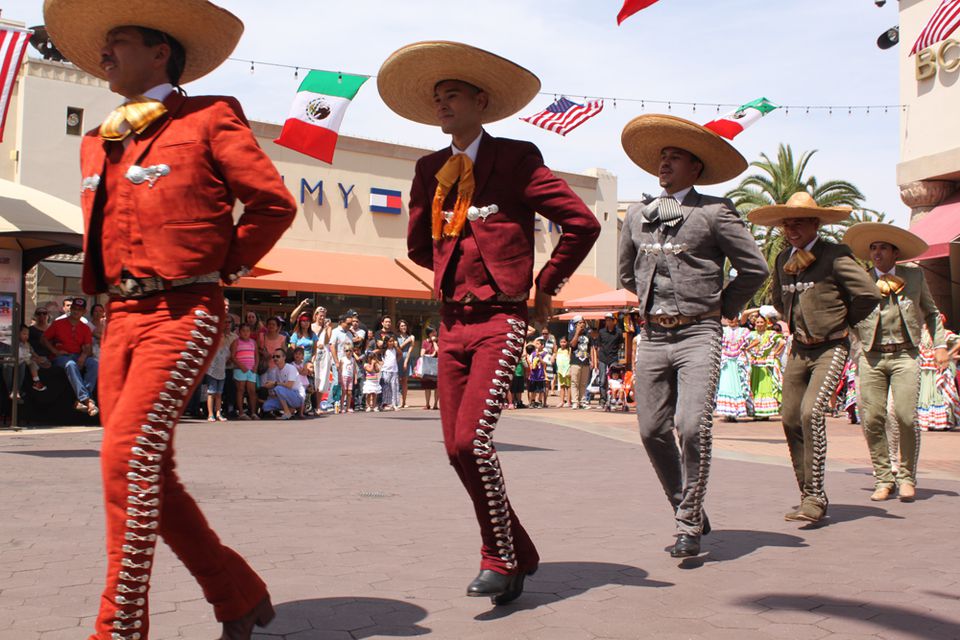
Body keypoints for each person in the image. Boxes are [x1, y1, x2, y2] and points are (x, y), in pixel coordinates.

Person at [44, 0, 297, 635]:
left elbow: (271, 204)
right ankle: (236, 592)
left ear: (162, 51)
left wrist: (222, 266)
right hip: (119, 320)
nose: (105, 53)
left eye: (119, 40)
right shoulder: (97, 142)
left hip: (183, 312)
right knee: (147, 468)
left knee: (125, 461)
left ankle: (119, 629)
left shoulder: (210, 117)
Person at [379, 40, 600, 603]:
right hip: (450, 321)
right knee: (455, 448)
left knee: (473, 442)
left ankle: (499, 555)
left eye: (451, 94)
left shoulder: (516, 159)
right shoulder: (429, 168)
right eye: (436, 97)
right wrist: (456, 274)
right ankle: (518, 551)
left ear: (481, 100)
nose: (441, 104)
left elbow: (581, 223)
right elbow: (419, 244)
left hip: (502, 319)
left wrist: (543, 285)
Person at [618, 113, 768, 557]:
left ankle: (687, 523)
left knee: (691, 426)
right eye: (662, 157)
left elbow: (755, 268)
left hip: (699, 332)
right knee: (650, 430)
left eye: (675, 157)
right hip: (654, 335)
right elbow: (626, 273)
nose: (664, 164)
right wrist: (651, 301)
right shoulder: (635, 216)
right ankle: (685, 503)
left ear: (695, 168)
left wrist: (721, 304)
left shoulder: (715, 212)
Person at [748, 192, 881, 523]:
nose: (791, 229)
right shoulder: (782, 260)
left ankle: (815, 498)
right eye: (787, 223)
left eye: (799, 222)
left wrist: (842, 320)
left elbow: (868, 293)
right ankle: (806, 493)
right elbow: (779, 299)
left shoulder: (834, 255)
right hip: (798, 348)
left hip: (831, 346)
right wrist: (793, 321)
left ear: (815, 223)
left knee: (811, 413)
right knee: (790, 416)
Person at [844, 223, 948, 501]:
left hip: (905, 354)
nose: (877, 253)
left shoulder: (914, 277)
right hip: (871, 356)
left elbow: (933, 313)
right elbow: (846, 315)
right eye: (873, 248)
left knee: (904, 416)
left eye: (883, 248)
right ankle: (883, 478)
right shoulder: (860, 279)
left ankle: (907, 477)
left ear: (895, 252)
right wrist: (856, 345)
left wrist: (939, 345)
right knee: (872, 418)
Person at [42, 296, 100, 416]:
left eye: (79, 309)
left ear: (84, 312)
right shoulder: (58, 323)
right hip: (61, 357)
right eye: (74, 308)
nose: (75, 311)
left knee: (94, 363)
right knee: (70, 364)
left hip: (78, 355)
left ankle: (81, 400)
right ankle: (86, 399)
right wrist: (55, 351)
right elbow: (43, 339)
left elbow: (88, 347)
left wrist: (83, 356)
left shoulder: (85, 327)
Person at [745, 314, 784, 419]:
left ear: (766, 323)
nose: (759, 324)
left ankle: (765, 412)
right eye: (757, 322)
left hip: (765, 365)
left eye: (761, 322)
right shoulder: (751, 334)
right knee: (754, 387)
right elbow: (743, 344)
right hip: (754, 364)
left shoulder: (770, 334)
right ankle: (755, 411)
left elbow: (782, 342)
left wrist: (775, 353)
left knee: (765, 386)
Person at [715, 317, 751, 421]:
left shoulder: (744, 331)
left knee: (738, 386)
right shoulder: (722, 330)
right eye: (729, 319)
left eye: (734, 318)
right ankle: (727, 413)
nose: (731, 321)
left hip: (738, 362)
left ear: (738, 320)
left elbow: (755, 340)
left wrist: (746, 348)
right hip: (726, 362)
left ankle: (735, 412)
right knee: (725, 384)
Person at [3, 324, 47, 402]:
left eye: (27, 334)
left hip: (22, 362)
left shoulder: (27, 344)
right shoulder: (10, 342)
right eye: (24, 334)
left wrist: (37, 358)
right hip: (9, 363)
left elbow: (32, 353)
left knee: (24, 366)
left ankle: (18, 390)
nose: (26, 336)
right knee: (7, 368)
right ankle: (10, 391)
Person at [261, 348, 303, 419]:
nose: (275, 358)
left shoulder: (291, 368)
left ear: (284, 357)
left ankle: (287, 413)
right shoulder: (275, 370)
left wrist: (274, 383)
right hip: (285, 396)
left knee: (278, 388)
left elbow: (289, 385)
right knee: (266, 406)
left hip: (297, 396)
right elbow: (277, 386)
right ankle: (290, 409)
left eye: (278, 356)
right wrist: (269, 386)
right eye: (273, 357)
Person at [204, 314, 232, 422]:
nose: (222, 338)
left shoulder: (225, 349)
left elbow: (228, 358)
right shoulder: (212, 348)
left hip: (222, 374)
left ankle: (218, 412)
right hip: (211, 373)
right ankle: (211, 414)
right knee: (211, 393)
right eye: (220, 337)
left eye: (223, 337)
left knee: (219, 394)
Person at [232, 323, 260, 420]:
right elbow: (233, 356)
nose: (245, 333)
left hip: (251, 370)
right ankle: (241, 412)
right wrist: (241, 366)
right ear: (239, 332)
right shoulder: (236, 342)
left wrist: (256, 366)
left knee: (252, 391)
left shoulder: (253, 342)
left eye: (247, 331)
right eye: (243, 330)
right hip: (240, 369)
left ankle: (253, 412)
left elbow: (256, 355)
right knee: (240, 390)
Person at [596, 313, 623, 408]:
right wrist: (597, 361)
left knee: (614, 380)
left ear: (613, 321)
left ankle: (613, 400)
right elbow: (598, 346)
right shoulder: (601, 332)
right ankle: (603, 400)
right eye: (606, 320)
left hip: (613, 358)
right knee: (602, 380)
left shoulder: (618, 332)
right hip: (603, 358)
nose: (608, 322)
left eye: (610, 320)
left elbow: (620, 345)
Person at [568, 316, 591, 409]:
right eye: (580, 323)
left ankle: (582, 401)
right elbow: (572, 344)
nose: (582, 324)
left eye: (583, 323)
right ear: (576, 324)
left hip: (585, 360)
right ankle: (575, 401)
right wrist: (577, 333)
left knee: (583, 383)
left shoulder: (587, 334)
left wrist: (592, 360)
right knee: (574, 382)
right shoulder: (572, 333)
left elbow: (591, 348)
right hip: (575, 361)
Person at [397, 319, 416, 408]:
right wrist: (407, 341)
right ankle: (396, 401)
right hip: (397, 359)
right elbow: (398, 348)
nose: (404, 327)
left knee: (404, 381)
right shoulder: (396, 337)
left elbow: (410, 350)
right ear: (399, 327)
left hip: (406, 359)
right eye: (402, 326)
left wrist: (406, 361)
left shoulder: (411, 337)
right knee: (397, 381)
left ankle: (404, 402)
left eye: (405, 326)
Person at [420, 326, 439, 410]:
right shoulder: (425, 342)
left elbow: (438, 351)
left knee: (436, 386)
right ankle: (427, 404)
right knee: (427, 386)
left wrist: (434, 342)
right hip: (427, 365)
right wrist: (429, 354)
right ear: (429, 333)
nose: (435, 333)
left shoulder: (439, 341)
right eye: (433, 332)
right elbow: (422, 353)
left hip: (436, 365)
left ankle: (435, 404)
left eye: (435, 332)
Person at [380, 335, 401, 410]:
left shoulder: (395, 349)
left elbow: (400, 354)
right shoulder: (384, 350)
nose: (391, 343)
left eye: (392, 341)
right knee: (385, 388)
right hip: (386, 370)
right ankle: (384, 403)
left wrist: (396, 361)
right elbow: (377, 353)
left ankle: (394, 404)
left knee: (394, 387)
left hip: (394, 370)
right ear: (387, 342)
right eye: (390, 341)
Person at [291, 346, 311, 417]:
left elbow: (305, 372)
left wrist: (300, 371)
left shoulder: (304, 363)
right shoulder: (292, 364)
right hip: (295, 383)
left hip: (303, 383)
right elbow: (296, 372)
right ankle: (294, 410)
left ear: (302, 356)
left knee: (303, 397)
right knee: (294, 396)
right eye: (296, 354)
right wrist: (300, 371)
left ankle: (301, 412)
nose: (297, 355)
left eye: (299, 354)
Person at [525, 341, 546, 408]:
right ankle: (532, 401)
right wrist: (530, 372)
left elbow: (544, 364)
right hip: (533, 375)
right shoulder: (533, 354)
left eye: (538, 344)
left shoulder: (545, 354)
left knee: (540, 390)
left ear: (542, 345)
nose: (536, 345)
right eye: (536, 344)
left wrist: (539, 357)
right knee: (532, 389)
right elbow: (530, 363)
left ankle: (540, 401)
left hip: (540, 374)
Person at [338, 344, 357, 414]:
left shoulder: (353, 359)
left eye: (350, 351)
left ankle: (348, 407)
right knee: (343, 392)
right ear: (344, 351)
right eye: (347, 351)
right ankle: (342, 407)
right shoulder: (342, 359)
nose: (348, 352)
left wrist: (355, 378)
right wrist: (339, 379)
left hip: (350, 377)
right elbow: (340, 370)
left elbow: (355, 369)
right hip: (344, 377)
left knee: (349, 393)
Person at [555, 336, 572, 407]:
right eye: (561, 342)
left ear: (567, 342)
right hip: (560, 370)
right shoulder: (558, 350)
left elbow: (570, 359)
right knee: (562, 386)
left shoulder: (569, 350)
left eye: (564, 342)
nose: (563, 344)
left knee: (568, 386)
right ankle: (561, 401)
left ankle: (568, 401)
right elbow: (556, 358)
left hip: (567, 370)